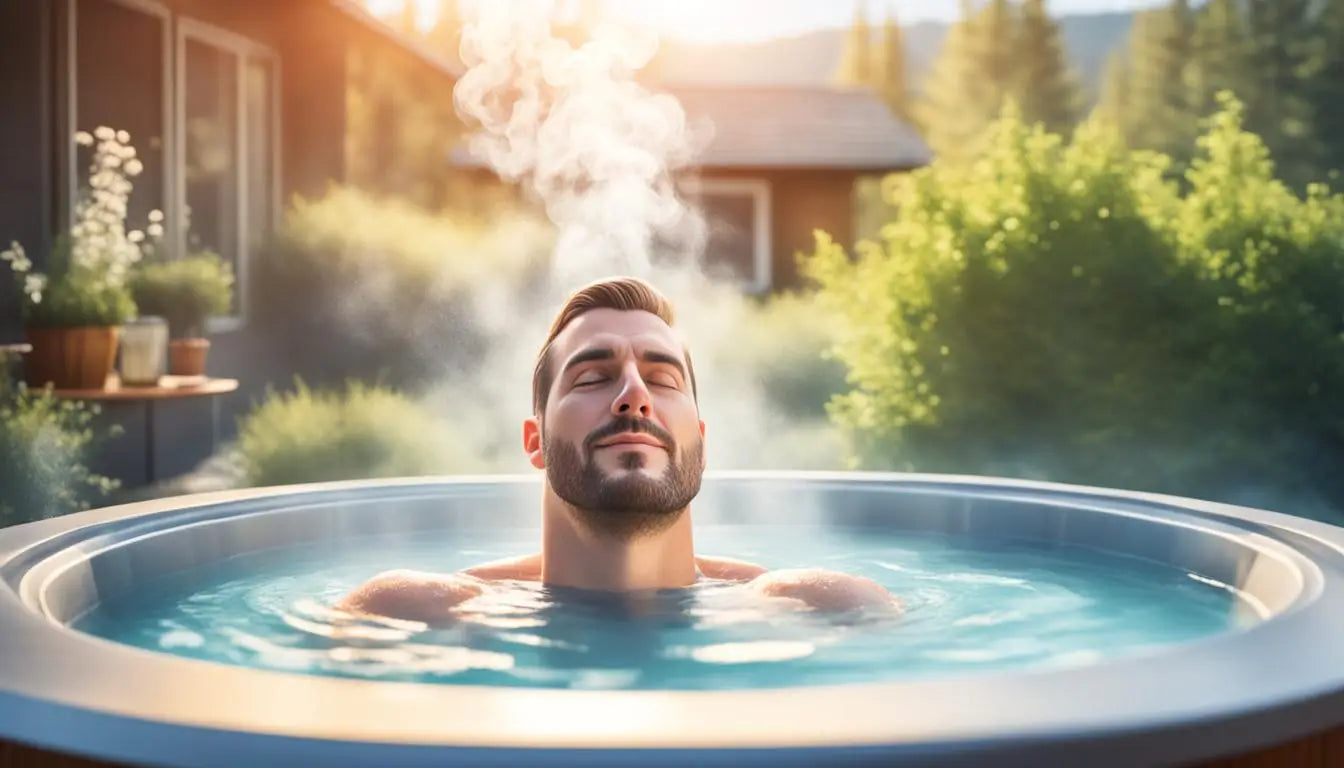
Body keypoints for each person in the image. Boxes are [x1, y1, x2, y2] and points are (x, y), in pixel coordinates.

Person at [337, 276, 901, 624]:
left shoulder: (825, 609)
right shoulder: (414, 612)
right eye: (591, 378)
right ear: (534, 442)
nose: (633, 396)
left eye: (662, 379)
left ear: (700, 444)